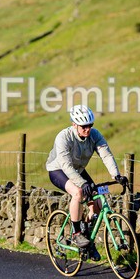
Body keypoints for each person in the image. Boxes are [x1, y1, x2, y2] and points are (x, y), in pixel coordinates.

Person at [46, 105, 128, 258]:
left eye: (90, 125)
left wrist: (116, 175)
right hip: (58, 170)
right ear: (74, 125)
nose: (87, 129)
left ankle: (87, 236)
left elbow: (106, 155)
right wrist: (82, 184)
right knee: (78, 193)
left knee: (96, 202)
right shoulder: (63, 137)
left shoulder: (94, 135)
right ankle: (77, 233)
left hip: (78, 170)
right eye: (84, 126)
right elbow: (66, 166)